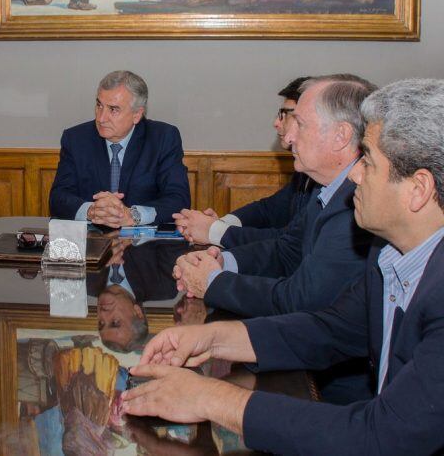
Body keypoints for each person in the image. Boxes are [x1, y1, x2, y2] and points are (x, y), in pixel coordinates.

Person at [122, 78, 444, 455]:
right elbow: (329, 330)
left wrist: (212, 398)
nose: (355, 173)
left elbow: (383, 435)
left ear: (418, 189)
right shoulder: (388, 255)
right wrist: (213, 338)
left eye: (368, 161)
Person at [174, 74, 376, 318]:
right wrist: (222, 262)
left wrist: (214, 281)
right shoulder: (326, 187)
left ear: (341, 136)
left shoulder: (358, 202)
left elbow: (302, 299)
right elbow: (287, 251)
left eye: (300, 124)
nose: (289, 137)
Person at [175, 76, 316, 248]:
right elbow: (268, 210)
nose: (276, 123)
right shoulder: (304, 169)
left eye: (285, 115)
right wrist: (221, 224)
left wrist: (215, 230)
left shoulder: (326, 176)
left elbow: (290, 242)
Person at [49, 70, 191, 228]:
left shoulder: (163, 138)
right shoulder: (76, 139)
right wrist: (91, 210)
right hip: (89, 243)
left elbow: (178, 199)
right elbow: (58, 198)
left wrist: (132, 215)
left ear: (137, 114)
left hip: (145, 245)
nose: (101, 118)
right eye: (99, 105)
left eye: (113, 109)